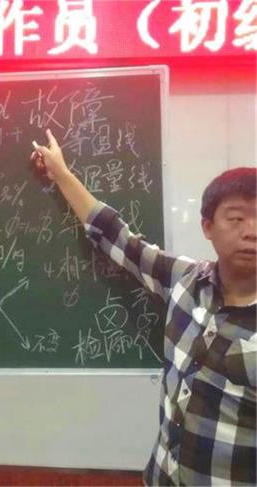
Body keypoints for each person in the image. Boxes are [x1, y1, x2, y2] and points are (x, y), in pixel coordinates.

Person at [31, 129, 256, 486]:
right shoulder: (185, 280)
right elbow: (116, 237)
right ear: (208, 227)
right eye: (237, 218)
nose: (251, 231)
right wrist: (61, 174)